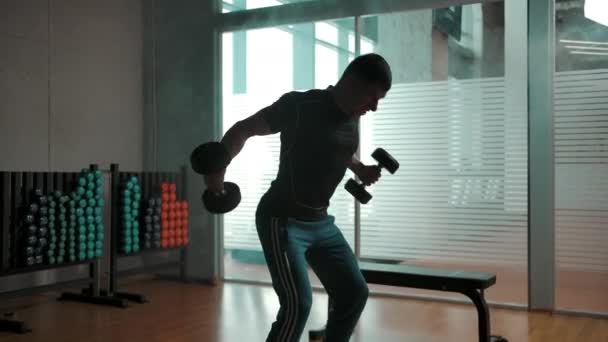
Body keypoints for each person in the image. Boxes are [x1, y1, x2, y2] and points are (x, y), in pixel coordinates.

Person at [206, 53, 392, 342]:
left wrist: (360, 168)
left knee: (354, 292)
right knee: (298, 304)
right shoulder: (299, 106)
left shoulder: (352, 119)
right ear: (353, 83)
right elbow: (245, 128)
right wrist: (218, 167)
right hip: (282, 219)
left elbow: (339, 150)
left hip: (321, 222)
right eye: (372, 97)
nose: (375, 107)